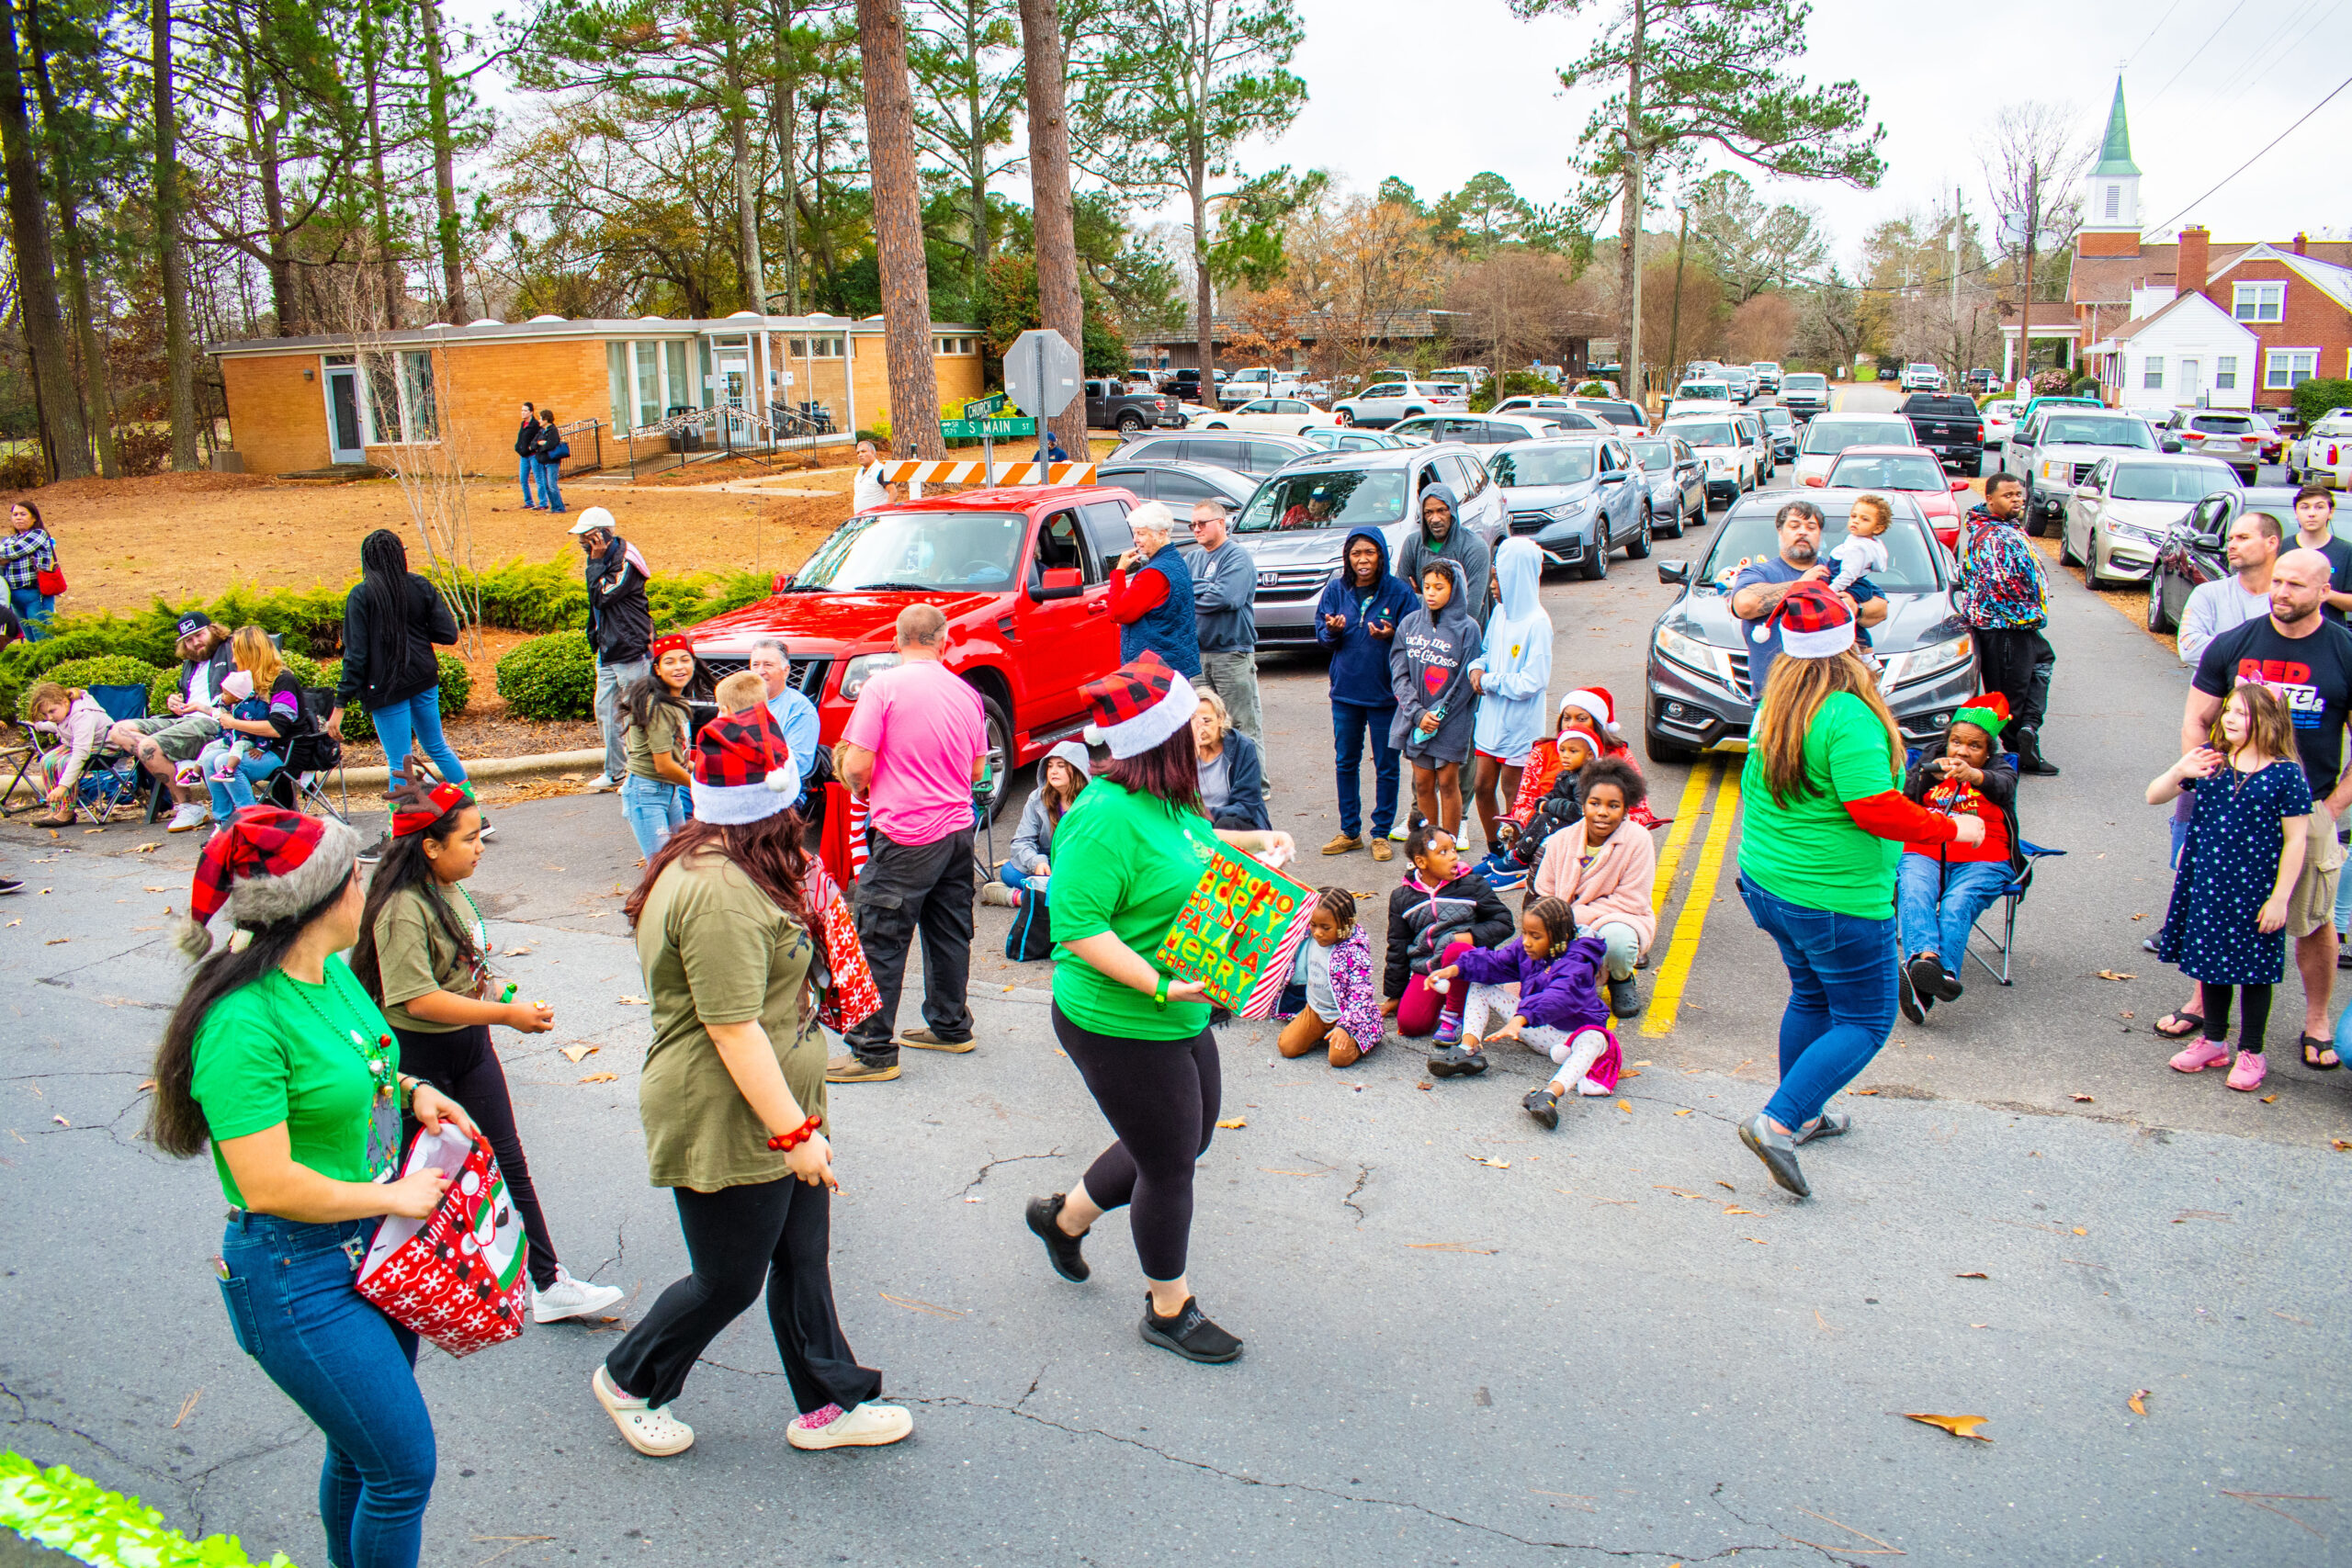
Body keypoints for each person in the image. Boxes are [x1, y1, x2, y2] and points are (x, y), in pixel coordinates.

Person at [146, 807, 476, 1568]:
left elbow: (365, 1063)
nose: (366, 886)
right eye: (355, 875)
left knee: (360, 1454)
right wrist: (393, 1197)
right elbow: (265, 1184)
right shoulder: (242, 1020)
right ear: (323, 895)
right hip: (295, 1269)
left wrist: (414, 1089)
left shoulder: (327, 972)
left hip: (371, 1247)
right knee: (402, 1468)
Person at [596, 709, 913, 1457]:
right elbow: (732, 1029)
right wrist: (795, 1133)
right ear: (773, 800)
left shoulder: (728, 857)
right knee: (727, 1279)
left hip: (773, 1100)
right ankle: (630, 1377)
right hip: (726, 1109)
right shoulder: (720, 890)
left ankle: (831, 1402)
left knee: (803, 1257)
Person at [1018, 652, 1295, 1365]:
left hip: (1183, 1004)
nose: (1201, 732)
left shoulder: (1169, 796)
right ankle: (1168, 1307)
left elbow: (1194, 844)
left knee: (1186, 1138)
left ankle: (1064, 1219)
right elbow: (1077, 926)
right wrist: (1160, 985)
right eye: (1187, 724)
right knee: (1170, 1163)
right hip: (1119, 1019)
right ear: (1160, 739)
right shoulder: (1100, 817)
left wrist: (1258, 842)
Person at [1732, 584, 1983, 1199]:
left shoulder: (1777, 704)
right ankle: (1778, 1122)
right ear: (1850, 646)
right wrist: (1953, 827)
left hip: (1770, 883)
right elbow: (1873, 807)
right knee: (1867, 1019)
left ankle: (1804, 1113)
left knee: (1812, 994)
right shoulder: (1847, 714)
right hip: (1834, 898)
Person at [351, 766, 625, 1324]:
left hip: (470, 1048)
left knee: (508, 1160)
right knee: (422, 1174)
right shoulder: (402, 907)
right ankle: (398, 1283)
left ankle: (547, 1283)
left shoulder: (449, 889)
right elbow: (417, 999)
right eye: (470, 838)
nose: (481, 848)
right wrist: (505, 1015)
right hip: (419, 1058)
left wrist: (501, 992)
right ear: (431, 847)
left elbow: (463, 972)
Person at [2170, 550, 2352, 1071]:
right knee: (2218, 909)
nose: (2282, 592)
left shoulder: (2343, 651)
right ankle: (2204, 1008)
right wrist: (2207, 777)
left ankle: (2317, 1021)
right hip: (2231, 806)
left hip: (2306, 808)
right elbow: (2197, 718)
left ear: (2325, 589)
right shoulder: (2236, 642)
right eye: (2278, 581)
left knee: (2312, 920)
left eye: (2296, 584)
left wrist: (2331, 807)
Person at [829, 604, 987, 1083]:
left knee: (879, 937)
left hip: (905, 833)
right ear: (944, 641)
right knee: (949, 929)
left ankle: (873, 1051)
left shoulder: (882, 688)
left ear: (896, 642)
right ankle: (950, 1025)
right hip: (957, 830)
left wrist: (863, 787)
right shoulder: (966, 692)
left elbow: (857, 766)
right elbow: (977, 770)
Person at [2150, 682, 2308, 1091]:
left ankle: (2252, 1050)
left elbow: (2296, 841)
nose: (2230, 719)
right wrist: (2179, 771)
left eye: (2242, 712)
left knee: (2254, 972)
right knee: (2211, 964)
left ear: (2269, 721)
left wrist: (2280, 898)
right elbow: (2154, 796)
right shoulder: (2211, 761)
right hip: (2209, 885)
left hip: (2256, 890)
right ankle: (2214, 1041)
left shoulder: (2286, 774)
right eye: (2229, 711)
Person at [1425, 897, 1621, 1123]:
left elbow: (1558, 996)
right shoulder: (1527, 949)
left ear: (1559, 937)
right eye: (1525, 933)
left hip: (1571, 1038)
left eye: (1535, 936)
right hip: (1536, 1028)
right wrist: (1454, 969)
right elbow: (1496, 962)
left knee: (1595, 1039)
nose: (1526, 942)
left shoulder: (1578, 962)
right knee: (1480, 985)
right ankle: (1467, 1050)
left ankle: (1549, 1096)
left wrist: (1520, 1018)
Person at [1895, 697, 2023, 1022]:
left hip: (1985, 857)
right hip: (1926, 848)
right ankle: (1929, 964)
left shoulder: (2000, 768)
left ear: (1988, 751)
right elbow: (1903, 799)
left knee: (1957, 901)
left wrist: (1975, 776)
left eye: (1974, 746)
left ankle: (1927, 979)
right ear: (1947, 741)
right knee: (1914, 887)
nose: (1962, 752)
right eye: (1956, 742)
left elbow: (2004, 787)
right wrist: (1928, 777)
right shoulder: (1931, 760)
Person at [329, 531, 467, 818]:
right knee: (437, 746)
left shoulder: (361, 595)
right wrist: (414, 631)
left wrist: (339, 706)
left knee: (399, 761)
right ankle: (472, 813)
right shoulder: (419, 585)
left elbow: (356, 655)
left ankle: (400, 828)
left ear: (368, 559)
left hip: (386, 687)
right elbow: (448, 634)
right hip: (423, 678)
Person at [1315, 525, 1415, 858]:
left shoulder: (1399, 592)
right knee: (1346, 762)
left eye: (1369, 552)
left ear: (1381, 555)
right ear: (1347, 557)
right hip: (1345, 693)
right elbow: (1321, 634)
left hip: (1386, 694)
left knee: (1386, 765)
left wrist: (1392, 635)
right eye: (1356, 553)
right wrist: (1332, 631)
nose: (1362, 560)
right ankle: (1350, 831)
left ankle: (1381, 833)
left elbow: (1415, 636)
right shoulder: (1336, 590)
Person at [1529, 756, 1657, 1017]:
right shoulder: (1560, 840)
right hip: (1566, 921)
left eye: (1613, 805)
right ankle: (1573, 980)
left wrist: (1573, 918)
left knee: (1618, 942)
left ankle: (1620, 978)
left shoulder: (1638, 840)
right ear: (1584, 803)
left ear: (1626, 808)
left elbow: (1632, 901)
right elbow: (1545, 891)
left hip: (1619, 918)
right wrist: (1554, 922)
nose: (1602, 812)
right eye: (1595, 803)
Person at [1729, 497, 1889, 705]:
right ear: (1780, 531)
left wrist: (1856, 608)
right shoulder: (1760, 573)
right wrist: (1801, 585)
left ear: (1820, 534)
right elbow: (1744, 605)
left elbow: (1881, 608)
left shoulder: (1837, 571)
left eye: (1811, 527)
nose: (1803, 532)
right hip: (1776, 701)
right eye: (1794, 526)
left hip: (1832, 700)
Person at [1953, 473, 2058, 776]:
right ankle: (2018, 753)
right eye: (2008, 495)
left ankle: (2028, 729)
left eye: (2019, 494)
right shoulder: (1992, 536)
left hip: (2020, 627)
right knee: (2010, 696)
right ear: (1990, 499)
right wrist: (2027, 613)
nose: (2016, 500)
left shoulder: (2004, 528)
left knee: (2042, 662)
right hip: (2004, 627)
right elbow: (2000, 584)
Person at [1383, 823, 1514, 1048]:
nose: (1453, 856)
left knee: (1456, 948)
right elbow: (1397, 947)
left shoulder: (1472, 884)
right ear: (1421, 862)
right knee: (1411, 1024)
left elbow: (1504, 922)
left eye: (1453, 849)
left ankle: (1453, 1017)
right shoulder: (1402, 898)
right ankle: (1451, 998)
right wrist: (1395, 995)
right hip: (1430, 968)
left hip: (1468, 965)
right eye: (1443, 852)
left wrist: (1471, 936)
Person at [1467, 537, 1553, 878]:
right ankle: (1496, 850)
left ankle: (1517, 858)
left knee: (1513, 793)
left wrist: (1489, 681)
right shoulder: (1500, 613)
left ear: (1516, 577)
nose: (1492, 585)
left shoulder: (1538, 623)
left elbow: (1533, 681)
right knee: (1482, 786)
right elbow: (1487, 651)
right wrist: (1477, 667)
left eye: (1498, 578)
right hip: (1491, 719)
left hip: (1520, 725)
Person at [112, 611, 236, 833]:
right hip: (186, 720)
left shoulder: (231, 649)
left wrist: (204, 708)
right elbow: (189, 696)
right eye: (188, 640)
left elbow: (244, 691)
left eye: (199, 635)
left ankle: (186, 804)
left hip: (215, 722)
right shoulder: (190, 663)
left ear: (213, 630)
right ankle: (181, 767)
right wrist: (176, 701)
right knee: (119, 730)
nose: (195, 643)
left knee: (149, 747)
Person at [1391, 559, 1480, 838]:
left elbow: (1466, 681)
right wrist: (1418, 714)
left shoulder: (1468, 629)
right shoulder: (1409, 624)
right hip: (1417, 720)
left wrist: (1439, 714)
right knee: (1422, 783)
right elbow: (1399, 674)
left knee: (1448, 783)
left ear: (1455, 589)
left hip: (1451, 722)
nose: (1431, 593)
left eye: (1439, 587)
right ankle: (1429, 845)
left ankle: (1448, 844)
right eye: (1427, 586)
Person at [571, 506, 654, 794]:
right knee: (606, 712)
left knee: (635, 715)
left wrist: (594, 561)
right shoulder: (602, 557)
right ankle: (615, 771)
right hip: (607, 648)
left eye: (587, 537)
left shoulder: (626, 560)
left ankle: (639, 774)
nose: (582, 542)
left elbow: (602, 596)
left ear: (603, 534)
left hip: (629, 648)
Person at [191, 626, 303, 827]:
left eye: (237, 654)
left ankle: (251, 823)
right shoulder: (249, 683)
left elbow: (276, 728)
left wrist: (233, 723)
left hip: (285, 749)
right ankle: (225, 823)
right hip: (254, 746)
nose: (233, 660)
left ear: (250, 654)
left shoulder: (283, 681)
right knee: (209, 759)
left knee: (225, 762)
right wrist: (202, 708)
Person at [1272, 886, 1382, 1068]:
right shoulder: (1306, 936)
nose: (1317, 932)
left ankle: (1366, 1036)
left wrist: (1346, 1027)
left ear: (1346, 924)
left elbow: (1361, 992)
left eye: (1326, 927)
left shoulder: (1354, 952)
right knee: (1287, 1047)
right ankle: (1324, 1034)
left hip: (1346, 1014)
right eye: (1313, 924)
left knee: (1338, 1059)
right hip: (1315, 1010)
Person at [1186, 500, 1261, 743]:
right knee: (1204, 728)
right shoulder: (1192, 559)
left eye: (1202, 523)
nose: (1197, 529)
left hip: (1231, 653)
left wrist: (1194, 591)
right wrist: (1205, 588)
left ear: (1221, 522)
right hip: (1198, 656)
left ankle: (1251, 772)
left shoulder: (1237, 556)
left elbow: (1227, 598)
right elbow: (1178, 597)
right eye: (1192, 525)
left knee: (1241, 728)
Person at [620, 633, 699, 859]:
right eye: (669, 662)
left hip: (669, 789)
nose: (679, 667)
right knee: (662, 866)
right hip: (647, 792)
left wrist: (707, 775)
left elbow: (679, 758)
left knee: (680, 859)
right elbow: (664, 765)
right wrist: (701, 788)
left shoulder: (676, 701)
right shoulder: (658, 706)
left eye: (684, 659)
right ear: (657, 669)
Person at [985, 739, 1089, 908]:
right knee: (1009, 872)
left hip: (1079, 865)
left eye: (1061, 766)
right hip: (1048, 864)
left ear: (1078, 770)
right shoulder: (1037, 798)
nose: (1053, 771)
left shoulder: (1091, 802)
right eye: (1050, 766)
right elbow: (1021, 841)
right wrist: (1038, 862)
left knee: (1087, 880)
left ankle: (1021, 898)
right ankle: (1059, 897)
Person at [1108, 502, 1202, 679]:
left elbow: (1117, 613)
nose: (1135, 539)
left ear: (1162, 534)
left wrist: (1119, 571)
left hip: (1154, 668)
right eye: (1135, 533)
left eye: (1141, 533)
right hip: (1171, 660)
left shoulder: (1154, 573)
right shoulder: (1175, 561)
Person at [2179, 506, 2281, 664]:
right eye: (2230, 539)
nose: (2232, 546)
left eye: (2243, 538)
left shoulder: (2288, 599)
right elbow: (2190, 649)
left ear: (2271, 543)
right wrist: (2260, 654)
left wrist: (2222, 649)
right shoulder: (2207, 593)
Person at [1395, 482, 1492, 622]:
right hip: (1421, 631)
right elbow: (1399, 598)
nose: (1435, 519)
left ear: (1452, 511)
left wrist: (1420, 598)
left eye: (1441, 511)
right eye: (1428, 512)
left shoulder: (1474, 547)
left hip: (1461, 633)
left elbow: (1470, 611)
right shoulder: (1413, 544)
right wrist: (1453, 599)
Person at [23, 681, 110, 826]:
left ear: (64, 702)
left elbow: (80, 753)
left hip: (104, 748)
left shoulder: (82, 715)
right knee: (47, 760)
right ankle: (55, 808)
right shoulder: (65, 712)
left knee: (65, 761)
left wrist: (62, 787)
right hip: (83, 745)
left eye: (52, 711)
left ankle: (67, 811)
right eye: (45, 714)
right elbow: (61, 726)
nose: (49, 717)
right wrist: (39, 726)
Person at [749, 637, 823, 791]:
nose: (760, 671)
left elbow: (799, 765)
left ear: (786, 671)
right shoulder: (739, 703)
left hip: (780, 790)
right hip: (738, 785)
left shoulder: (799, 710)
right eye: (755, 665)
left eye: (768, 665)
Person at [1193, 687, 1269, 830]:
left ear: (1220, 719)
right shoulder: (1181, 751)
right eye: (1192, 721)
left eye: (1206, 721)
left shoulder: (1242, 748)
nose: (1200, 729)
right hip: (1193, 824)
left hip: (1235, 823)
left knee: (1226, 825)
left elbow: (1246, 807)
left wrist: (1202, 813)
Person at [2289, 483, 2352, 623]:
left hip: (2330, 631)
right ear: (2296, 513)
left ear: (2331, 512)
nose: (2312, 513)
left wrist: (2326, 594)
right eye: (2305, 507)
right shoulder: (2282, 549)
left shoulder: (2347, 551)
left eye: (2319, 507)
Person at [2, 499, 59, 637]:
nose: (18, 518)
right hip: (15, 596)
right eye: (15, 515)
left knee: (42, 635)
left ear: (34, 518)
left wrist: (7, 556)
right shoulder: (10, 540)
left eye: (23, 514)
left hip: (35, 592)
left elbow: (16, 551)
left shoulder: (38, 534)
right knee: (29, 636)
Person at [533, 408, 569, 513]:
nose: (539, 420)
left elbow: (551, 444)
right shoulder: (541, 431)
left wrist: (542, 445)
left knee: (552, 485)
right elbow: (533, 443)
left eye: (540, 418)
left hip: (552, 462)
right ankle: (554, 506)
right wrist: (539, 443)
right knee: (546, 486)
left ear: (546, 419)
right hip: (543, 461)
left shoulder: (553, 431)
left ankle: (559, 507)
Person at [514, 401, 543, 510]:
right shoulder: (523, 424)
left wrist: (532, 447)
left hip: (533, 456)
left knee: (538, 479)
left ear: (531, 412)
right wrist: (518, 448)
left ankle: (543, 502)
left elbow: (539, 438)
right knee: (523, 479)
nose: (523, 412)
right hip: (524, 457)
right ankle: (529, 502)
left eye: (525, 411)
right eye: (522, 410)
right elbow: (520, 438)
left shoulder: (535, 425)